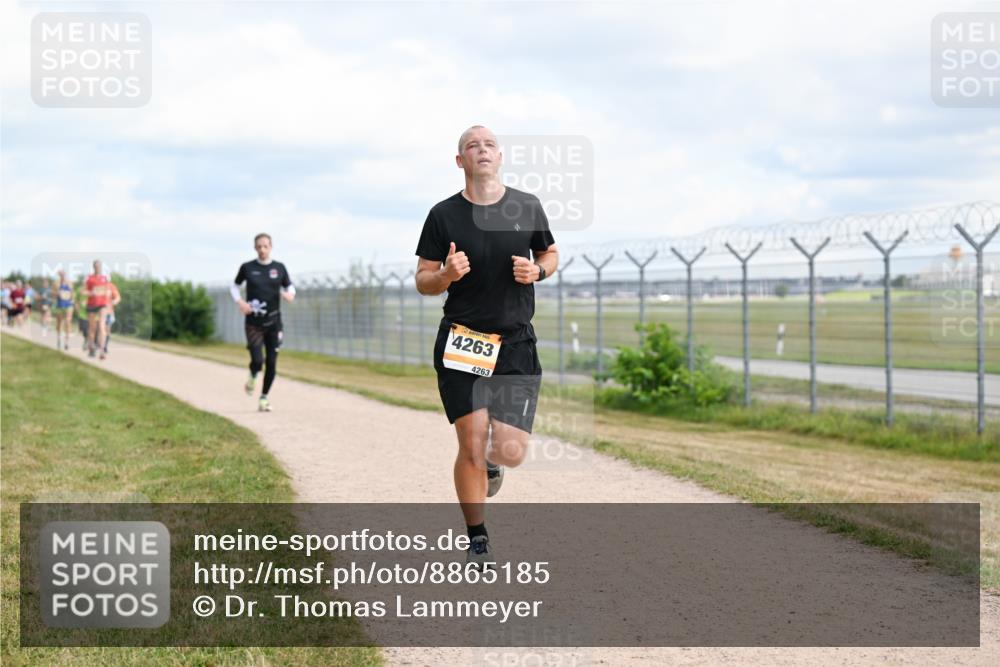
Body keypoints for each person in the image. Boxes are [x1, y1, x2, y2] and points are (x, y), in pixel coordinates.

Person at [414, 125, 559, 567]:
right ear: (460, 161)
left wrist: (539, 272)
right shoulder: (443, 215)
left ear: (500, 158)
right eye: (471, 145)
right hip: (463, 340)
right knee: (472, 444)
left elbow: (549, 254)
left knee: (508, 451)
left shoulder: (526, 206)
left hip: (515, 341)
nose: (481, 149)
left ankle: (493, 468)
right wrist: (446, 276)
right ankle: (477, 538)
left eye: (489, 144)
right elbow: (423, 280)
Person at [231, 233, 296, 412]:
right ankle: (253, 374)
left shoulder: (279, 268)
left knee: (272, 362)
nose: (262, 250)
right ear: (255, 248)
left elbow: (289, 286)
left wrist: (290, 294)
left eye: (265, 246)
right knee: (258, 360)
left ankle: (264, 398)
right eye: (259, 247)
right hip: (253, 323)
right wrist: (240, 302)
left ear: (271, 247)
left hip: (274, 322)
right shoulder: (247, 267)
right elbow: (234, 286)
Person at [83, 261, 111, 359]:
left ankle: (102, 350)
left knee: (102, 326)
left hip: (102, 304)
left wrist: (106, 293)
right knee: (92, 328)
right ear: (93, 267)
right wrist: (91, 293)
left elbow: (108, 290)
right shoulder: (89, 278)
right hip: (91, 304)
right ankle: (91, 348)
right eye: (96, 266)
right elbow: (83, 291)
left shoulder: (105, 278)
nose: (98, 268)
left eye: (99, 266)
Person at [53, 271, 75, 350]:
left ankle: (66, 342)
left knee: (68, 321)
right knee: (59, 322)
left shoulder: (70, 283)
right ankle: (59, 339)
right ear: (59, 275)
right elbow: (53, 294)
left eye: (63, 274)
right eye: (61, 274)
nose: (62, 275)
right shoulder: (56, 283)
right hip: (60, 304)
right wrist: (57, 294)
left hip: (68, 304)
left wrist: (72, 300)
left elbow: (72, 293)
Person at [102, 280, 122, 354]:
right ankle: (97, 343)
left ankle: (105, 346)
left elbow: (118, 297)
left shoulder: (111, 286)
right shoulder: (97, 285)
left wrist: (114, 302)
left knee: (107, 328)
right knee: (99, 328)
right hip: (98, 311)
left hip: (108, 311)